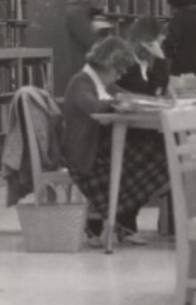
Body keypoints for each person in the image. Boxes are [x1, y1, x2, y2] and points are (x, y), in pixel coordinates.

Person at [62, 37, 168, 247]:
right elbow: (94, 108)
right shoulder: (81, 82)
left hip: (100, 150)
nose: (119, 76)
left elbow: (130, 97)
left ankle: (120, 216)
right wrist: (120, 102)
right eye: (118, 71)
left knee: (158, 151)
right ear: (108, 65)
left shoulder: (104, 85)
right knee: (153, 154)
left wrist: (146, 103)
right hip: (86, 156)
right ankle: (118, 216)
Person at [63, 0, 107, 82]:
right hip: (82, 67)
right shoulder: (76, 12)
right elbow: (91, 41)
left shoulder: (84, 10)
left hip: (88, 67)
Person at [117, 16, 170, 97]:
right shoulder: (127, 63)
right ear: (146, 43)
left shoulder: (142, 63)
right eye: (158, 45)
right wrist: (160, 59)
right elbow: (152, 95)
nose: (159, 48)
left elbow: (160, 91)